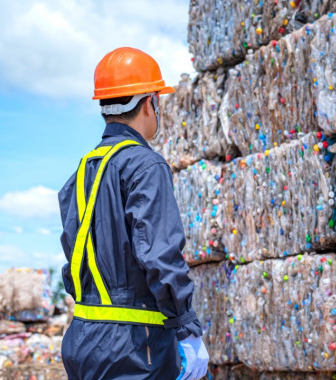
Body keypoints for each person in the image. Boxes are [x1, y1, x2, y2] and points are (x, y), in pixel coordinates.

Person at [58, 47, 209, 380]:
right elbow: (160, 255)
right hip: (134, 347)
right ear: (148, 103)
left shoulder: (82, 172)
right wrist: (186, 326)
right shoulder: (145, 165)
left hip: (82, 338)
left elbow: (73, 260)